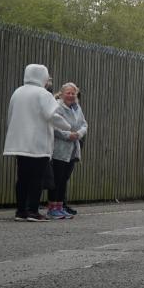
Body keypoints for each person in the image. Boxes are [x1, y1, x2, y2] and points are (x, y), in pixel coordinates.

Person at [3, 64, 69, 221]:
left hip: (19, 143)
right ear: (42, 77)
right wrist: (67, 126)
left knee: (22, 177)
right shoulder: (43, 94)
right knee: (37, 178)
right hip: (38, 142)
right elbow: (52, 115)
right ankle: (33, 210)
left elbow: (10, 115)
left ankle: (21, 211)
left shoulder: (17, 92)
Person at [47, 82, 88, 219]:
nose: (71, 96)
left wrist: (79, 134)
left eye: (73, 93)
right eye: (68, 93)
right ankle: (52, 208)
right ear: (62, 93)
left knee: (64, 179)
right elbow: (53, 126)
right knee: (57, 179)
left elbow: (84, 124)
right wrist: (67, 135)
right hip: (59, 148)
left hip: (72, 149)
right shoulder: (57, 106)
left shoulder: (77, 107)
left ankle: (60, 206)